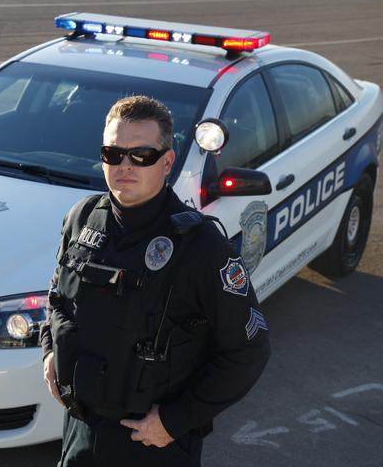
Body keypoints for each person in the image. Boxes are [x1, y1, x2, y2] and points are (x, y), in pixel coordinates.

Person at [40, 95, 270, 466]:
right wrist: (49, 351)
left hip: (151, 444)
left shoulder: (201, 247)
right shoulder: (81, 218)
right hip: (79, 431)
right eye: (113, 154)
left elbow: (249, 350)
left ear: (166, 163)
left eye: (141, 156)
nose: (125, 166)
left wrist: (174, 421)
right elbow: (56, 299)